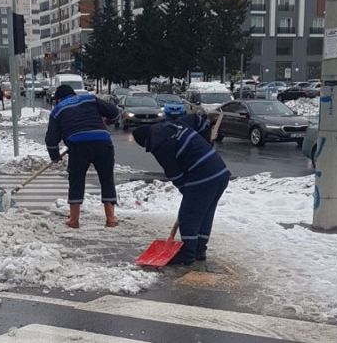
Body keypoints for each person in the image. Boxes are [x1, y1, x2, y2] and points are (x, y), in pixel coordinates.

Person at [132, 115, 231, 265]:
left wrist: (188, 193)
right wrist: (204, 139)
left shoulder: (160, 146)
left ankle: (188, 254)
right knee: (204, 214)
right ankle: (199, 250)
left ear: (147, 140)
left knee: (188, 215)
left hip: (202, 176)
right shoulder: (175, 125)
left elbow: (175, 175)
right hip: (220, 173)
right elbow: (200, 120)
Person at [45, 85, 120, 229]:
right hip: (102, 142)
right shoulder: (90, 98)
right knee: (107, 179)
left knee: (76, 180)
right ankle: (110, 218)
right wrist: (108, 122)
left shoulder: (57, 110)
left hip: (78, 146)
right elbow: (114, 113)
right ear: (73, 94)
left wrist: (54, 155)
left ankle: (74, 220)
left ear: (59, 98)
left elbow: (51, 139)